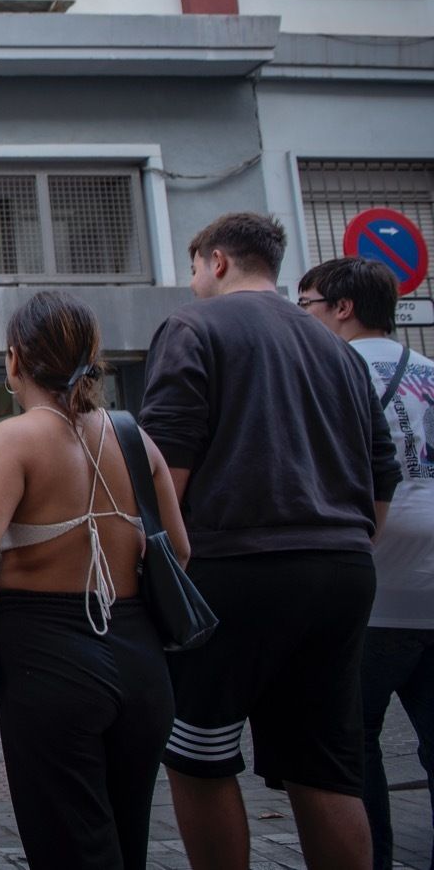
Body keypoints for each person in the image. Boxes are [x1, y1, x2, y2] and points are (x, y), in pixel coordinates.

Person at [140, 212, 399, 870]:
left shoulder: (194, 327)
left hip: (234, 568)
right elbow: (380, 478)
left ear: (217, 261)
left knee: (200, 758)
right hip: (343, 569)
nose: (193, 280)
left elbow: (164, 472)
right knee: (328, 766)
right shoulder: (334, 348)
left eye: (195, 266)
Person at [0, 290, 190, 870]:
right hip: (140, 657)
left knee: (69, 843)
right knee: (127, 830)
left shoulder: (16, 438)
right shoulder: (134, 436)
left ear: (15, 360)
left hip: (49, 656)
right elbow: (180, 550)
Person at [299, 256, 434, 870]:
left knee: (352, 746)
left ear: (341, 307)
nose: (304, 320)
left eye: (307, 306)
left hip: (372, 591)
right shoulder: (429, 373)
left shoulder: (328, 370)